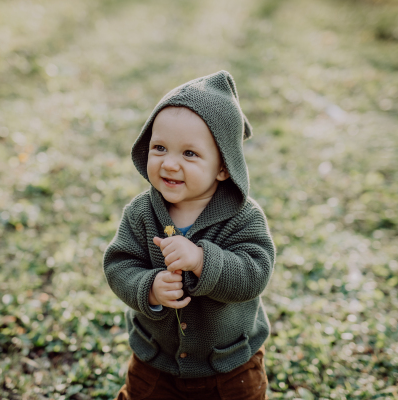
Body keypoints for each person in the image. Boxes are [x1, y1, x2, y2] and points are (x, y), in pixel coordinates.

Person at [103, 70, 275, 399]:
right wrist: (148, 287)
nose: (169, 164)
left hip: (229, 366)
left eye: (189, 154)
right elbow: (118, 265)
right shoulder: (141, 213)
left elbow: (255, 274)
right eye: (160, 148)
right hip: (157, 362)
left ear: (224, 166)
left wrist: (201, 260)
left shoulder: (242, 217)